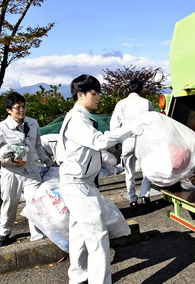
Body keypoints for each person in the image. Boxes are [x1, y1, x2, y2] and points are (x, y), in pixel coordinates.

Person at [56, 74, 134, 284]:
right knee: (98, 236)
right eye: (94, 93)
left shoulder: (79, 118)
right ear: (81, 95)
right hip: (79, 185)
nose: (98, 97)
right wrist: (128, 130)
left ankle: (78, 275)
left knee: (80, 232)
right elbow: (98, 141)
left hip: (76, 182)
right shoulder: (77, 120)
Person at [0, 92, 53, 247]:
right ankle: (4, 233)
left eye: (23, 106)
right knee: (10, 203)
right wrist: (2, 160)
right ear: (9, 110)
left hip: (31, 170)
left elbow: (38, 146)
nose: (21, 110)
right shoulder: (1, 128)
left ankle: (38, 235)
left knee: (35, 201)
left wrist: (48, 162)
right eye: (17, 108)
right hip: (11, 172)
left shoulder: (33, 124)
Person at [110, 79, 154, 208]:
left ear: (128, 89)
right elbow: (152, 121)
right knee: (147, 169)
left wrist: (117, 139)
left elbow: (114, 124)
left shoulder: (121, 104)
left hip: (127, 139)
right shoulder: (146, 103)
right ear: (141, 90)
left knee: (129, 171)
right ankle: (145, 195)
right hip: (143, 140)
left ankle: (132, 199)